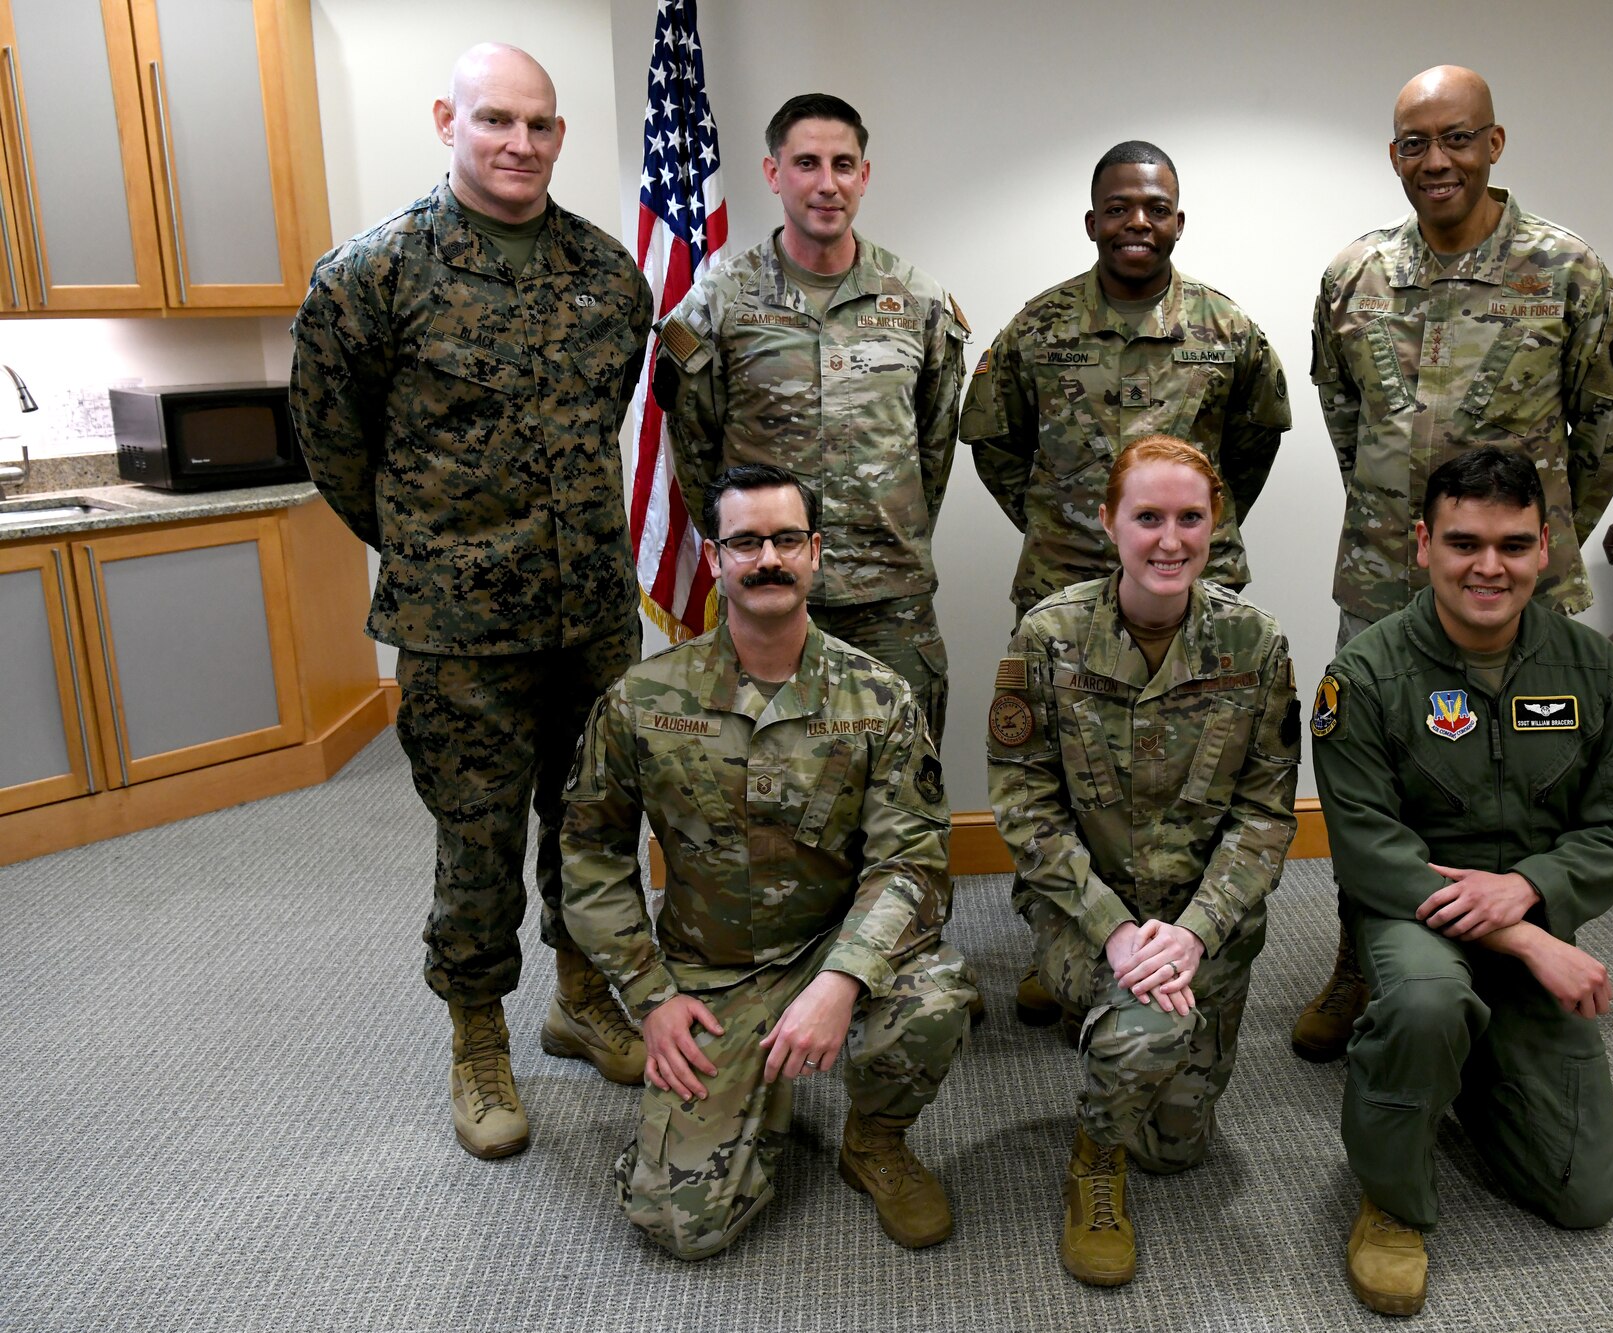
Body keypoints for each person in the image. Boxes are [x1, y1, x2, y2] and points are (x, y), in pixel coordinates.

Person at [289, 42, 651, 1160]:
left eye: (539, 125)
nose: (520, 144)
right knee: (479, 837)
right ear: (448, 117)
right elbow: (332, 446)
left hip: (590, 612)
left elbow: (603, 420)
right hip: (459, 629)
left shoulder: (608, 276)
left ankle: (582, 996)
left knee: (594, 822)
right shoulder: (371, 276)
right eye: (496, 120)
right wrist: (436, 548)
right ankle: (477, 1035)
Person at [1293, 65, 1613, 1061]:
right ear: (1393, 155)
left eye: (1456, 138)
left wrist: (1534, 539)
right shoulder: (1352, 273)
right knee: (1368, 785)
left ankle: (1520, 955)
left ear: (1494, 144)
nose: (1435, 160)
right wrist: (1393, 521)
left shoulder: (1564, 268)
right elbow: (1341, 412)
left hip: (1513, 588)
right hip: (1380, 578)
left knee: (1518, 782)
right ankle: (1360, 958)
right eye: (1415, 142)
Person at [562, 463, 975, 1261]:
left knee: (935, 997)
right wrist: (648, 997)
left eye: (787, 538)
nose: (768, 559)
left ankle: (874, 1142)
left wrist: (841, 978)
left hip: (831, 946)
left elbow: (911, 861)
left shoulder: (878, 697)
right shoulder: (644, 700)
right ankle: (754, 1088)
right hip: (711, 970)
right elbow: (588, 853)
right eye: (746, 541)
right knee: (680, 1227)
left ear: (816, 552)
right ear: (715, 558)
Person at [1313, 447, 1613, 1317]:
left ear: (1545, 548)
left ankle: (1456, 1072)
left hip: (1535, 905)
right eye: (1465, 542)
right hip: (1413, 914)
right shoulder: (1364, 675)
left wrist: (1533, 887)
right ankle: (1390, 1197)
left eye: (1512, 545)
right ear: (1423, 543)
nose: (1489, 567)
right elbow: (1364, 847)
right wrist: (1524, 932)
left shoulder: (1594, 670)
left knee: (1585, 1197)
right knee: (1429, 1005)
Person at [960, 140, 1291, 1026]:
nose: (1136, 222)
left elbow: (1252, 447)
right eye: (1118, 207)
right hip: (1063, 591)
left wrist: (1187, 538)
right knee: (1070, 785)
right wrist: (1069, 527)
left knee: (1186, 784)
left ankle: (1175, 936)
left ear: (1178, 220)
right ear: (1092, 220)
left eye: (1154, 207)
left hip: (1194, 599)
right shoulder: (1039, 328)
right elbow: (994, 443)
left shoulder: (1228, 333)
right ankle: (1069, 943)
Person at [987, 436, 1300, 1287]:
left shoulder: (1256, 644)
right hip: (1085, 911)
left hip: (1209, 923)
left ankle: (1122, 1041)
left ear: (1215, 524)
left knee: (1178, 1151)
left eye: (1190, 517)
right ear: (1108, 522)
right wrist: (1114, 931)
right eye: (1148, 517)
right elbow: (1024, 806)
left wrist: (1195, 932)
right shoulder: (1048, 638)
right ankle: (1093, 1159)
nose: (1170, 540)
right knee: (1147, 1034)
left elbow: (1267, 814)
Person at [652, 93, 967, 744]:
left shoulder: (920, 301)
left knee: (902, 791)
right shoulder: (720, 303)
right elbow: (697, 452)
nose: (827, 184)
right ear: (773, 174)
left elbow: (934, 445)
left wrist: (888, 537)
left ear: (864, 175)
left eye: (843, 164)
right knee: (766, 796)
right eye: (806, 163)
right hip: (768, 592)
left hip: (891, 602)